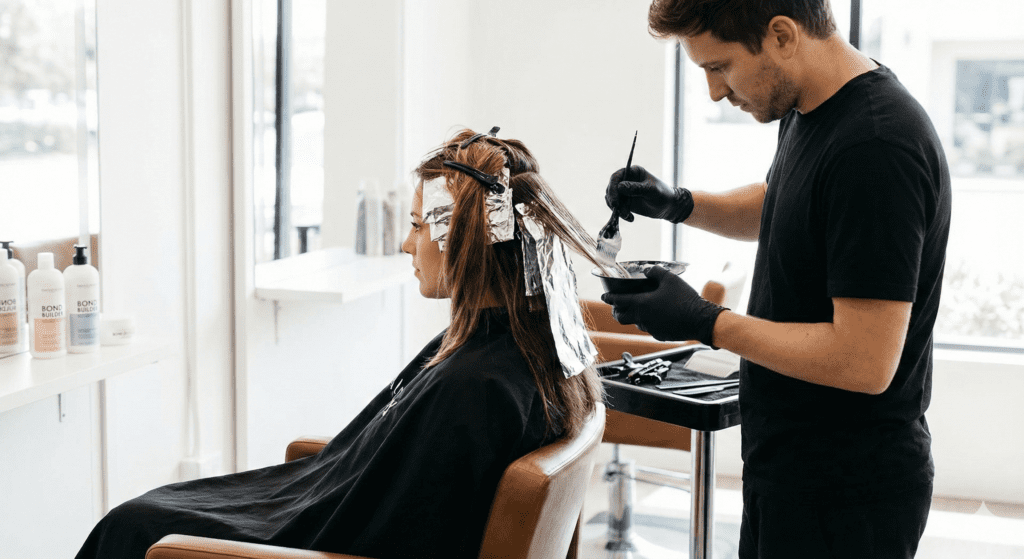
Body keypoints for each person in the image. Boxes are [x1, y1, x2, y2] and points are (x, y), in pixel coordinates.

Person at [75, 128, 607, 559]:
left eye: (419, 225)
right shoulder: (529, 353)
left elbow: (393, 541)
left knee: (131, 530)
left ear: (461, 242)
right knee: (145, 514)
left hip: (308, 541)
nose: (406, 243)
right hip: (311, 508)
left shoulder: (478, 386)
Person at [601, 1, 952, 557]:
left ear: (782, 36)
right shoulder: (811, 107)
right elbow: (783, 205)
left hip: (845, 494)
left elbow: (864, 361)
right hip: (787, 468)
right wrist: (679, 204)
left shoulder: (877, 145)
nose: (715, 92)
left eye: (719, 67)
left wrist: (706, 321)